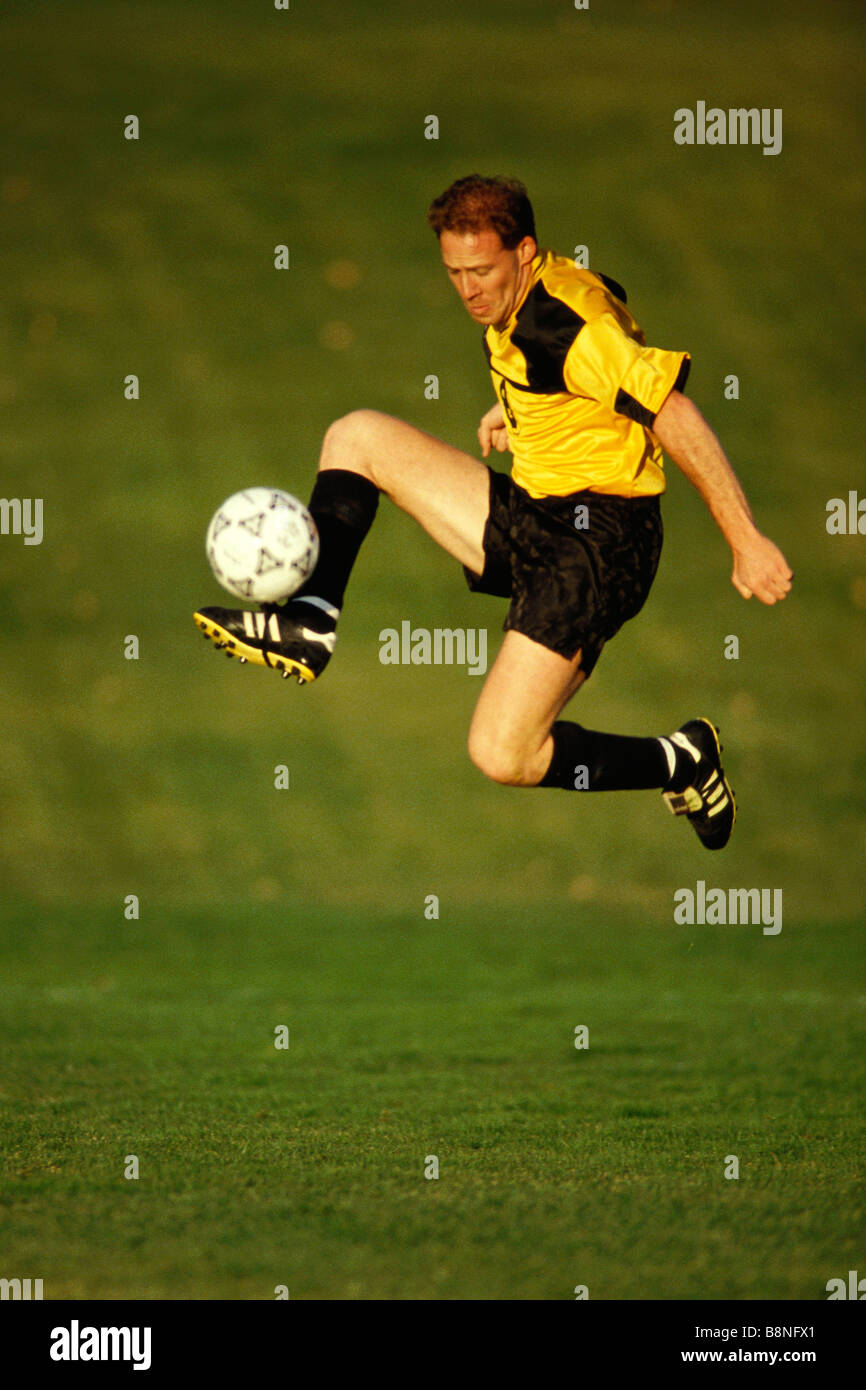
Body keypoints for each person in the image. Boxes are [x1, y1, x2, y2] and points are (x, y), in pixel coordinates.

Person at [194, 175, 793, 850]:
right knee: (356, 437)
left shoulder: (563, 329)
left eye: (481, 270)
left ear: (525, 252)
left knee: (504, 753)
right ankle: (309, 623)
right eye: (453, 272)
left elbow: (672, 411)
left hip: (598, 550)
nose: (468, 289)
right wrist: (522, 411)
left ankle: (681, 760)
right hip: (538, 512)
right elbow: (609, 327)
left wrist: (745, 537)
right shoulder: (545, 294)